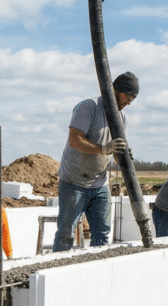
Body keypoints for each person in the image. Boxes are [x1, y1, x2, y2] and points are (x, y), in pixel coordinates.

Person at [53, 71, 138, 252]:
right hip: (74, 182)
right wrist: (103, 148)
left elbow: (114, 151)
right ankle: (58, 272)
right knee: (66, 234)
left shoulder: (122, 118)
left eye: (133, 99)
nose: (129, 102)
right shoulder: (89, 106)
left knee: (102, 234)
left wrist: (121, 155)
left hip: (100, 185)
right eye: (128, 96)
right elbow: (74, 139)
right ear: (115, 90)